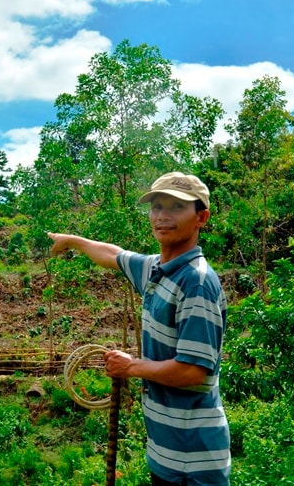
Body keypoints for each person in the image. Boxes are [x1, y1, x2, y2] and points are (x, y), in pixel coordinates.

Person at [48, 172, 230, 486]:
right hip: (166, 451)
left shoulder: (196, 281)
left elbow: (193, 371)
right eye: (157, 206)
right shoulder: (156, 269)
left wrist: (131, 367)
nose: (162, 216)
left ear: (201, 217)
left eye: (176, 207)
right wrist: (73, 242)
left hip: (194, 461)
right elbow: (114, 255)